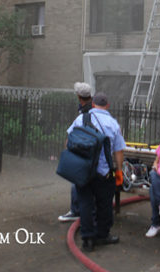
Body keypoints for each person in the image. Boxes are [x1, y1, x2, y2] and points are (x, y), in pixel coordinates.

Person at [66, 92, 126, 252]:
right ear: (107, 106)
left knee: (85, 204)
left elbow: (68, 141)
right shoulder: (113, 124)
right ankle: (102, 235)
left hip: (83, 171)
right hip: (103, 173)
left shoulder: (81, 119)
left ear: (92, 104)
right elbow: (119, 151)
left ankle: (87, 239)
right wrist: (119, 171)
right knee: (104, 205)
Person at [58, 81, 93, 222]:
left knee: (76, 181)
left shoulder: (81, 118)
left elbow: (70, 136)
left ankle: (76, 210)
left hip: (83, 155)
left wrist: (67, 152)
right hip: (97, 156)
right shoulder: (99, 113)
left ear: (79, 97)